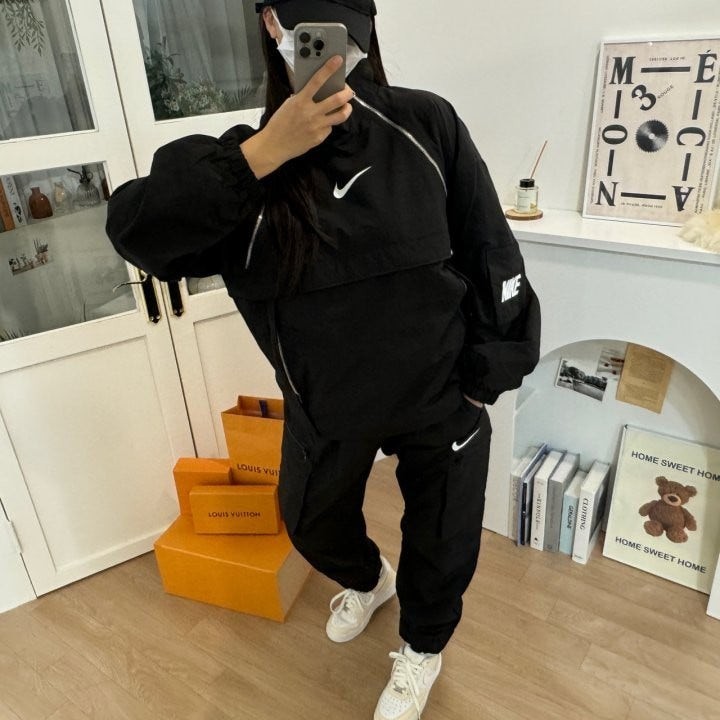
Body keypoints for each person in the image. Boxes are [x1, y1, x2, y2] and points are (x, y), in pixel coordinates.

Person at [106, 1, 541, 718]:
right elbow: (137, 231)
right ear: (272, 25)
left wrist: (484, 381)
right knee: (309, 521)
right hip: (327, 406)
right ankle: (371, 581)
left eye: (344, 25)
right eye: (309, 25)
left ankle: (423, 647)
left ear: (367, 29)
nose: (332, 47)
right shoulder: (240, 167)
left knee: (444, 539)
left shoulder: (425, 123)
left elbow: (490, 249)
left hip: (441, 394)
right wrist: (262, 154)